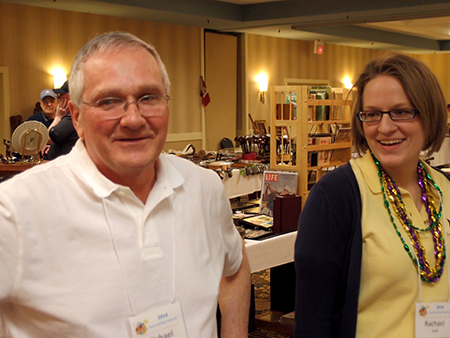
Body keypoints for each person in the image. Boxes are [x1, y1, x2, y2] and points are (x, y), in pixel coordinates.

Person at [0, 31, 250, 337]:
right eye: (109, 101)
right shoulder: (15, 210)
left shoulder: (204, 187)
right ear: (76, 118)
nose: (133, 119)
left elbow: (235, 265)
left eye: (148, 98)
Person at [294, 53, 450, 338]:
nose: (385, 127)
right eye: (373, 114)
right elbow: (312, 324)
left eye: (402, 111)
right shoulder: (335, 198)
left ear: (430, 114)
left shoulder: (445, 188)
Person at [42, 81, 79, 160]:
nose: (59, 97)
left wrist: (58, 117)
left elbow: (48, 137)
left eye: (62, 94)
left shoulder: (73, 117)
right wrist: (54, 147)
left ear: (71, 95)